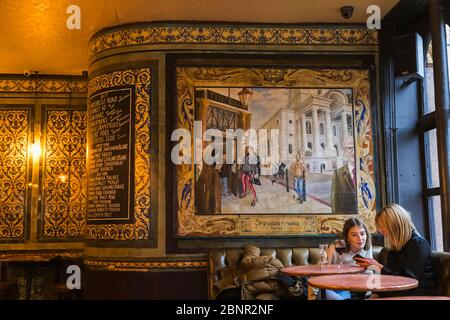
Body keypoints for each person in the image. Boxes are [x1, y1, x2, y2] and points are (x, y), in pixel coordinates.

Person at [355, 203, 437, 298]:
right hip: (397, 294)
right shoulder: (395, 249)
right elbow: (389, 279)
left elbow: (408, 282)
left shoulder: (417, 244)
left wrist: (379, 268)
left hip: (417, 296)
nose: (381, 231)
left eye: (382, 226)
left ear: (394, 224)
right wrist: (377, 294)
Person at [308, 217, 373, 300]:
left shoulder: (367, 249)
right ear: (347, 238)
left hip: (348, 291)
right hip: (329, 288)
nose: (360, 238)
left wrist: (369, 295)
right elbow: (317, 272)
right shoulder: (336, 247)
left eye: (362, 234)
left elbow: (369, 273)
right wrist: (312, 297)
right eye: (354, 235)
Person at [331, 136, 357, 213]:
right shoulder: (338, 174)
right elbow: (335, 205)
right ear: (344, 151)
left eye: (355, 148)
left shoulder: (367, 171)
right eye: (350, 148)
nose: (353, 151)